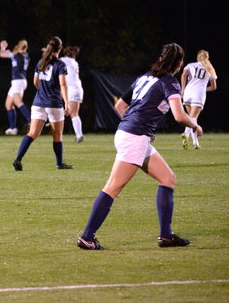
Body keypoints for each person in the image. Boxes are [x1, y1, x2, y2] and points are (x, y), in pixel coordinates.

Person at [77, 43, 203, 250]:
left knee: (168, 178)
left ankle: (166, 236)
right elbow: (180, 116)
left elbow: (120, 106)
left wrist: (139, 126)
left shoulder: (145, 77)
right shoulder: (170, 82)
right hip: (134, 137)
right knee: (113, 187)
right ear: (180, 64)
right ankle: (87, 238)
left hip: (131, 134)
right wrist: (195, 125)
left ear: (161, 58)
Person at [12, 36, 73, 171]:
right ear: (60, 48)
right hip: (54, 103)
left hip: (38, 103)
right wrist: (67, 103)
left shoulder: (41, 61)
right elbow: (63, 85)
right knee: (57, 135)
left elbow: (35, 82)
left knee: (32, 133)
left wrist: (43, 91)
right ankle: (59, 163)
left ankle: (18, 159)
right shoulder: (60, 64)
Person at [180, 50, 217, 149]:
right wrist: (203, 89)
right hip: (198, 94)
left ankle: (195, 143)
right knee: (193, 119)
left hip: (188, 92)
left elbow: (183, 75)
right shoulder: (209, 68)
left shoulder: (191, 65)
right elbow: (213, 87)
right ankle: (185, 134)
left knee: (192, 119)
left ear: (198, 57)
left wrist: (183, 89)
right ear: (207, 58)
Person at [0, 39, 32, 135]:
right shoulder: (26, 55)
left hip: (18, 81)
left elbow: (2, 54)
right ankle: (12, 128)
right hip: (20, 81)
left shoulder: (16, 54)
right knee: (8, 104)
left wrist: (2, 48)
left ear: (19, 46)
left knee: (18, 102)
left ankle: (31, 120)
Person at [60, 46, 85, 143]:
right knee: (73, 113)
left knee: (73, 114)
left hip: (72, 89)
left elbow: (53, 59)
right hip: (77, 88)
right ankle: (79, 135)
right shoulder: (74, 62)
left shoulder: (65, 60)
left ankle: (79, 135)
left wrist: (47, 51)